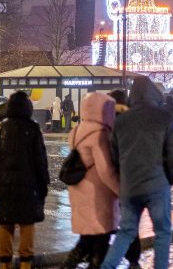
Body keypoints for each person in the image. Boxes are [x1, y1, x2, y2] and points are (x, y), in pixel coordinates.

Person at [100, 75, 173, 269]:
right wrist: (168, 179)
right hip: (157, 184)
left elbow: (113, 155)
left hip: (130, 186)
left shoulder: (122, 121)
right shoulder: (164, 117)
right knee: (162, 232)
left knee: (126, 232)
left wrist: (125, 178)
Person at [62, 92, 137, 269]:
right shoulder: (100, 134)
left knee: (90, 238)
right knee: (97, 239)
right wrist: (121, 191)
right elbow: (105, 170)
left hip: (79, 191)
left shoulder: (76, 130)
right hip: (98, 195)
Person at [0, 90, 50, 269]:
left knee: (5, 223)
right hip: (29, 185)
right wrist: (43, 184)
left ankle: (4, 263)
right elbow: (40, 159)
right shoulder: (33, 128)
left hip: (4, 184)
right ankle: (25, 263)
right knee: (27, 224)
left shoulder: (0, 127)